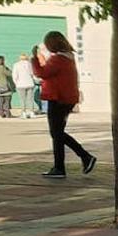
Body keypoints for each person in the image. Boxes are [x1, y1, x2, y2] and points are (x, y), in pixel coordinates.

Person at [32, 32, 95, 178]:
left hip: (58, 99)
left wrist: (34, 59)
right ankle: (61, 166)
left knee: (56, 133)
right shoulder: (68, 57)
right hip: (66, 99)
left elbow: (41, 73)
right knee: (57, 133)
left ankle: (82, 158)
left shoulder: (58, 59)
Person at [12, 53, 36, 118]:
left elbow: (14, 76)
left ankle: (24, 113)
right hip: (30, 83)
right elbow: (32, 74)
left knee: (22, 100)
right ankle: (31, 112)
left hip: (20, 84)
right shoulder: (30, 64)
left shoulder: (16, 65)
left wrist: (16, 83)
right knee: (30, 99)